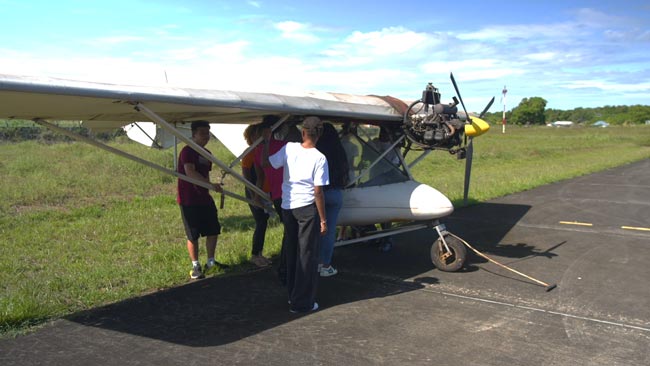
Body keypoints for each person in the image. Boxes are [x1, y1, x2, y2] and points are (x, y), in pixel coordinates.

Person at [263, 116, 329, 313]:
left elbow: (268, 163)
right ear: (320, 135)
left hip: (287, 207)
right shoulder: (320, 158)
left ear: (303, 132)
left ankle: (292, 295)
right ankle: (302, 303)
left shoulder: (289, 148)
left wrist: (267, 141)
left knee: (292, 251)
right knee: (307, 255)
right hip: (307, 209)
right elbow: (318, 192)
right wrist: (323, 219)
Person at [177, 120, 225, 279]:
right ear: (194, 135)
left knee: (213, 230)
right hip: (189, 199)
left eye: (208, 133)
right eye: (202, 133)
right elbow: (190, 172)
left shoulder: (207, 154)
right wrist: (210, 185)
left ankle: (211, 262)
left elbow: (205, 174)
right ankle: (195, 266)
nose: (206, 136)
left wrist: (209, 187)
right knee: (193, 234)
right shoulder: (187, 151)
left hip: (204, 198)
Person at [316, 123, 349, 277]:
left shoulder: (316, 153)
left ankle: (313, 263)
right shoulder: (339, 151)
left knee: (314, 230)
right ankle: (325, 265)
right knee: (329, 232)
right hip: (335, 193)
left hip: (318, 194)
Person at [242, 124, 271, 267]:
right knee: (260, 221)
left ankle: (259, 253)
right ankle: (255, 254)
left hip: (265, 192)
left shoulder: (262, 150)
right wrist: (255, 195)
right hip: (254, 191)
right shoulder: (250, 152)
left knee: (264, 221)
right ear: (252, 137)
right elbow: (247, 176)